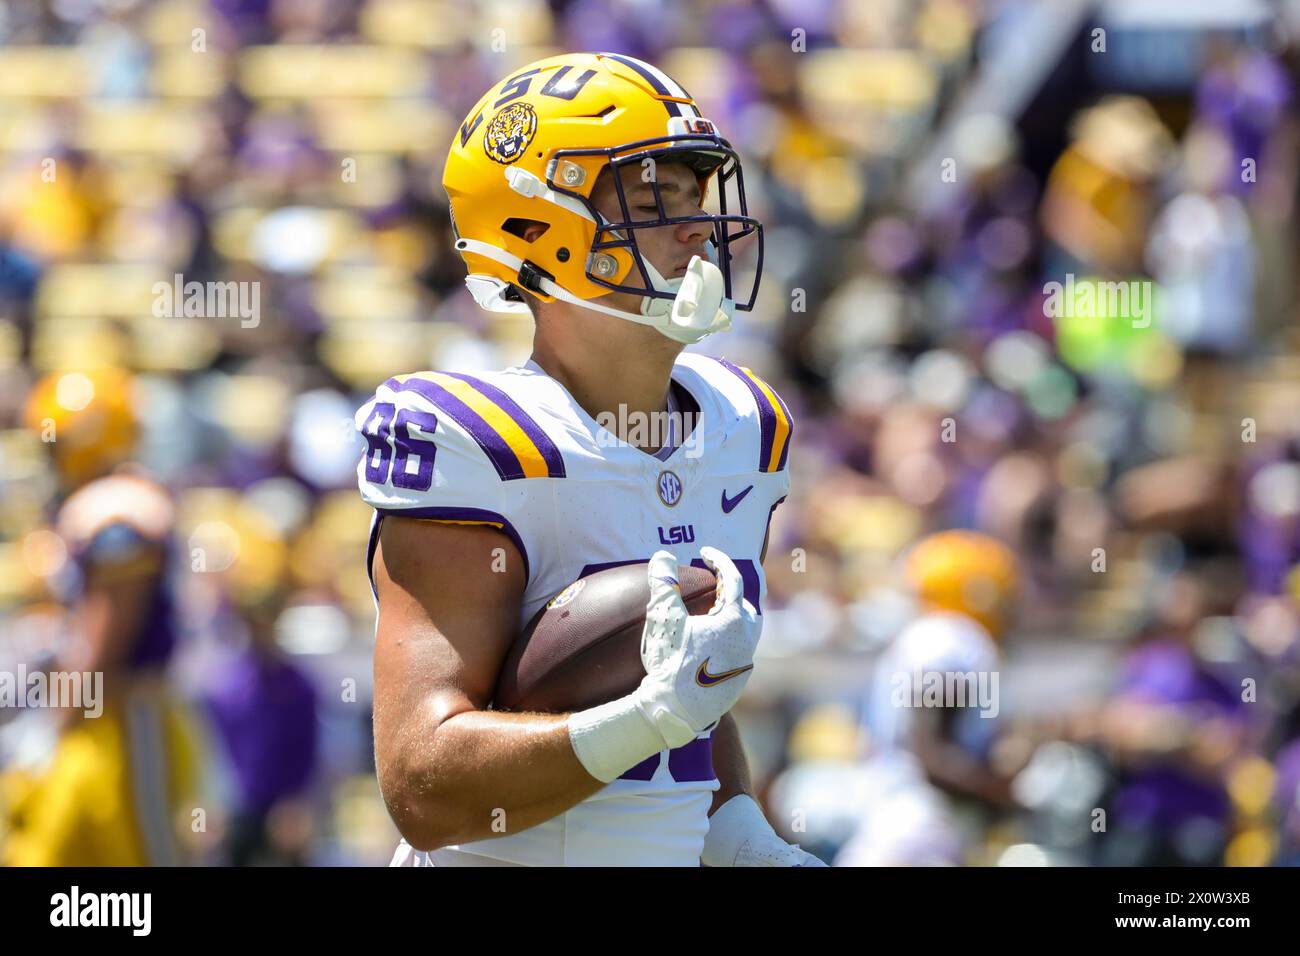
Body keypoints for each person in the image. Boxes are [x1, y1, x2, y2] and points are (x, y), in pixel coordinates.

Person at [356, 52, 820, 866]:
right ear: (538, 227)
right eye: (653, 197)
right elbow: (424, 788)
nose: (694, 226)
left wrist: (748, 841)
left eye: (694, 194)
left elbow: (690, 690)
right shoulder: (475, 439)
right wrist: (644, 721)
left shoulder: (743, 424)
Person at [3, 368, 203, 866]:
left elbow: (100, 638)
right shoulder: (111, 503)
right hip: (100, 718)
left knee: (141, 861)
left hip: (124, 715)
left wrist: (55, 725)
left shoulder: (117, 514)